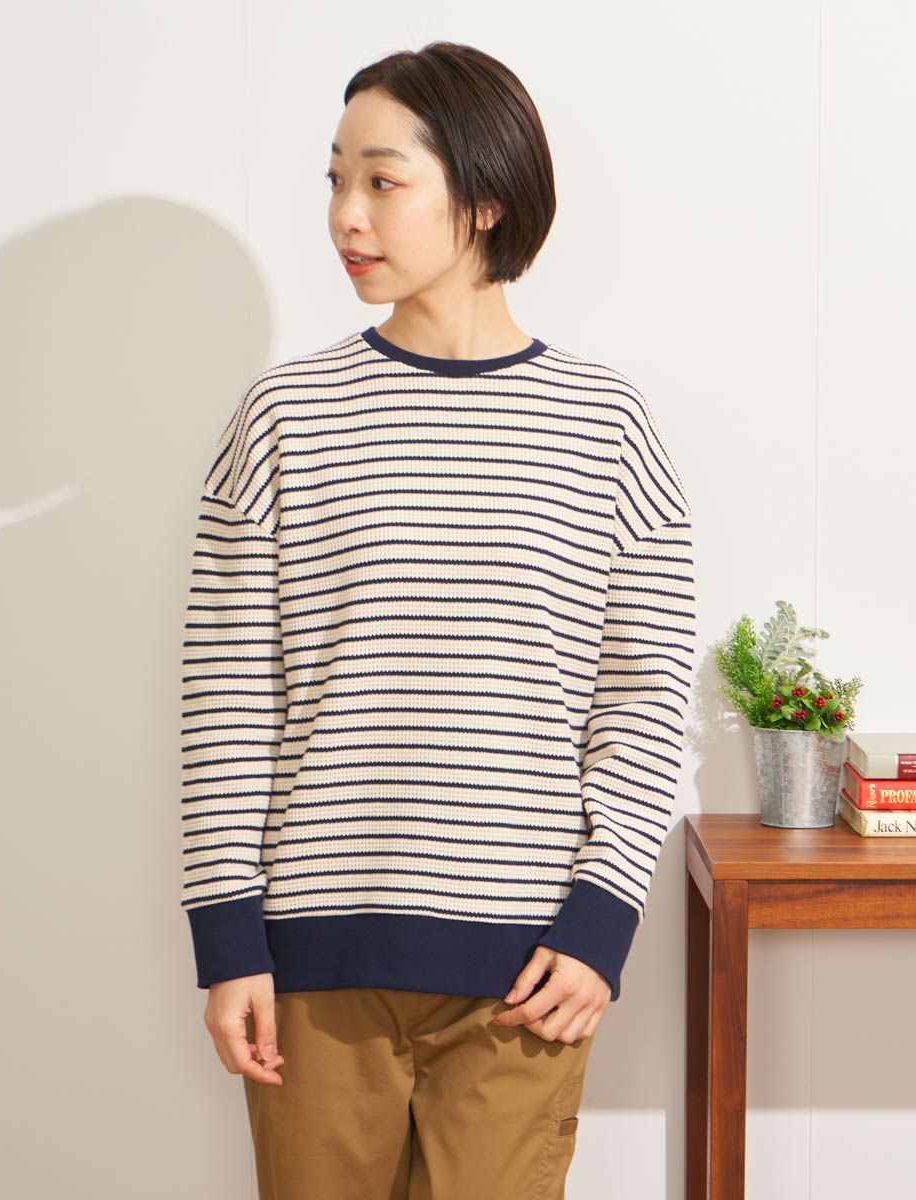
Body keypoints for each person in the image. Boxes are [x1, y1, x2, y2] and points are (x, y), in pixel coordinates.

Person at [179, 40, 696, 1200]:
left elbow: (644, 699)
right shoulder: (283, 416)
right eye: (334, 180)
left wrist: (601, 923)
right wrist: (227, 939)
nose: (344, 215)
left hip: (529, 975)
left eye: (381, 180)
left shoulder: (608, 427)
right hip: (313, 972)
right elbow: (227, 695)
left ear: (486, 196)